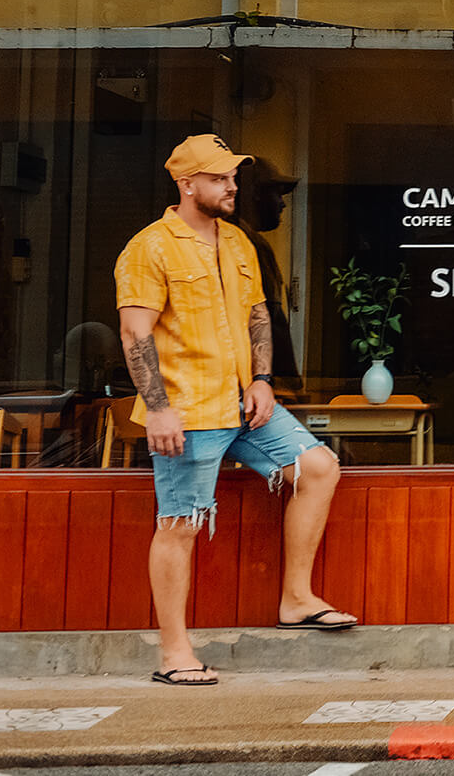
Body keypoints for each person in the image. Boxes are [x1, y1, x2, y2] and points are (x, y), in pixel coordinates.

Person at [115, 133, 356, 687]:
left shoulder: (239, 243)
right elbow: (135, 332)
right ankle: (175, 653)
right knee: (180, 523)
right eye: (220, 178)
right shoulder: (149, 247)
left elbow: (256, 317)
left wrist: (265, 380)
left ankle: (296, 599)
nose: (231, 186)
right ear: (186, 184)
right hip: (188, 411)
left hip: (244, 402)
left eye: (233, 177)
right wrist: (157, 409)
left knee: (318, 468)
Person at [235, 157, 303, 395]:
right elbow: (271, 321)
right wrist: (289, 382)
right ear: (256, 194)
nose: (282, 205)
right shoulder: (249, 245)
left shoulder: (237, 240)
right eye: (277, 194)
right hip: (256, 387)